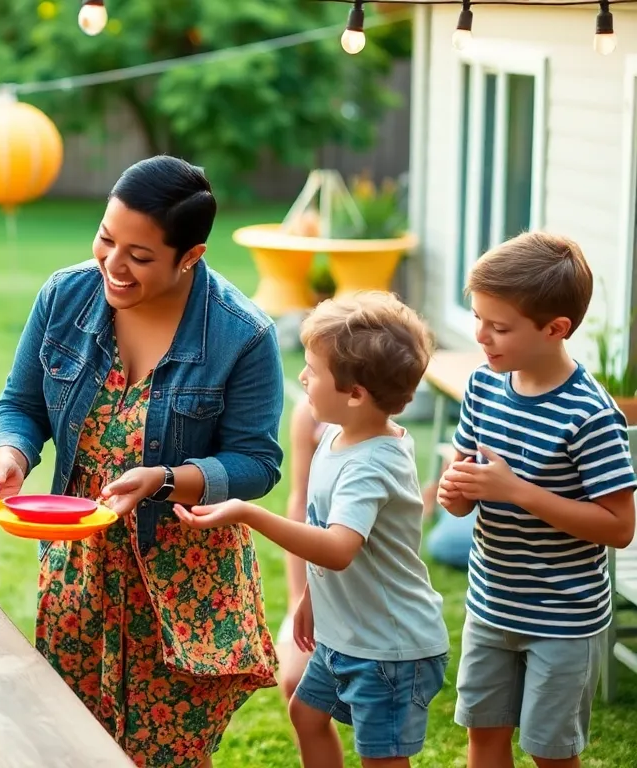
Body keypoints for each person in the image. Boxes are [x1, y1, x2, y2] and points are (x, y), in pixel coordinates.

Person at [0, 156, 284, 767]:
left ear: (189, 256)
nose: (113, 265)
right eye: (106, 238)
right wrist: (10, 451)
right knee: (72, 744)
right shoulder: (64, 297)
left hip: (184, 580)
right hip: (80, 566)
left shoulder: (241, 334)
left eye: (140, 256)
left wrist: (168, 481)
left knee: (167, 756)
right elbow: (21, 403)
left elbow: (257, 461)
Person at [186, 293, 450, 768]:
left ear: (355, 394)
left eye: (313, 369)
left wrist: (249, 513)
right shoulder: (339, 432)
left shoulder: (372, 464)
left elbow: (339, 548)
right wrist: (311, 596)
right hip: (345, 633)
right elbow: (332, 536)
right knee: (307, 714)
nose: (303, 376)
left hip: (389, 649)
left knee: (382, 758)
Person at [438, 232, 636, 768]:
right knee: (484, 737)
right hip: (490, 606)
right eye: (477, 318)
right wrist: (455, 493)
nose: (481, 336)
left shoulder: (590, 416)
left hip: (563, 619)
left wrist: (514, 491)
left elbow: (619, 527)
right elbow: (461, 483)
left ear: (556, 329)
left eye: (499, 327)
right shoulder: (483, 384)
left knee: (549, 753)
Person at [277, 405, 325, 703]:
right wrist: (296, 597)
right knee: (295, 683)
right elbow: (300, 500)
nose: (303, 377)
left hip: (364, 590)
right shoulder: (308, 414)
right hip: (315, 584)